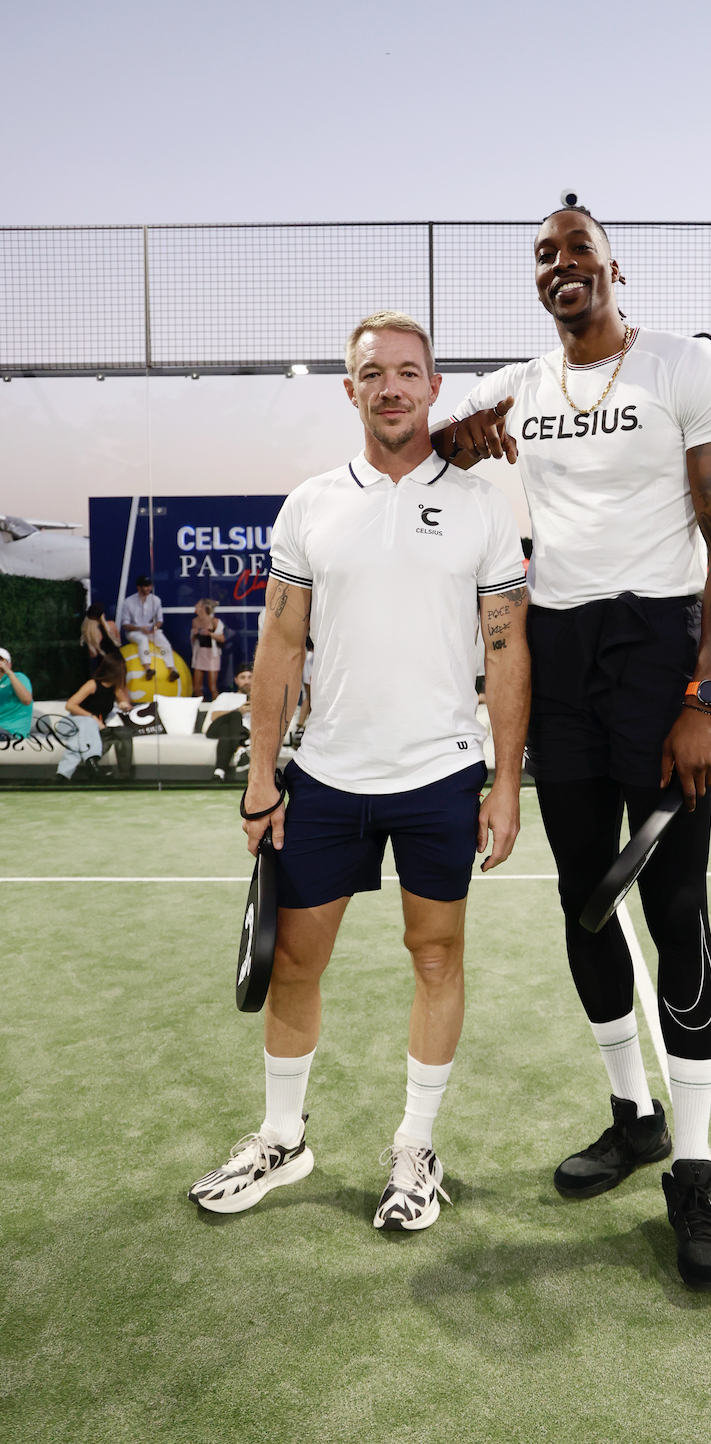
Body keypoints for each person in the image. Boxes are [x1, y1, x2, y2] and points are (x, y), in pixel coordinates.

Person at [433, 206, 711, 1293]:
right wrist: (462, 434)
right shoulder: (521, 385)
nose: (560, 266)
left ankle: (694, 1168)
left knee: (675, 908)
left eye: (577, 249)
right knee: (584, 899)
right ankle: (633, 1117)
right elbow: (429, 439)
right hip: (561, 653)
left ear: (615, 267)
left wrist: (706, 694)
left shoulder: (685, 366)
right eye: (543, 255)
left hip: (661, 652)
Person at [189, 311, 530, 1233]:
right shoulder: (310, 504)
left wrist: (505, 782)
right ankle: (282, 1138)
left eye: (409, 372)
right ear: (351, 390)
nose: (392, 387)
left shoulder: (482, 506)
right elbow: (281, 643)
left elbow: (506, 651)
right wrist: (262, 776)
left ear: (433, 387)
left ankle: (416, 1148)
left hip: (441, 775)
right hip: (329, 774)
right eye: (374, 373)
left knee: (436, 955)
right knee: (296, 961)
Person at [61, 656, 134, 780]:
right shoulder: (92, 684)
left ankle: (63, 775)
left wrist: (124, 704)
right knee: (88, 724)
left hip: (92, 730)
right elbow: (70, 705)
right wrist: (92, 718)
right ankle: (92, 764)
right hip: (74, 723)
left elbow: (127, 703)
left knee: (78, 741)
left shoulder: (115, 688)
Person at [120, 575, 179, 682]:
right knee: (143, 640)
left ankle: (172, 669)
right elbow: (125, 624)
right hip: (134, 632)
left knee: (164, 643)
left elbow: (159, 619)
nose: (148, 588)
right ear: (139, 587)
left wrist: (155, 628)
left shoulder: (156, 600)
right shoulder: (128, 602)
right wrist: (139, 628)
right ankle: (147, 668)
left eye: (149, 586)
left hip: (150, 630)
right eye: (146, 586)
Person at [205, 661, 253, 779]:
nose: (246, 681)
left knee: (226, 730)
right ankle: (241, 748)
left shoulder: (261, 700)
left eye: (250, 677)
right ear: (236, 680)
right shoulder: (226, 696)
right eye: (242, 678)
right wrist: (239, 711)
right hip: (214, 730)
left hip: (240, 732)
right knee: (235, 715)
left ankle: (219, 772)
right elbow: (214, 716)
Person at [190, 598, 224, 700]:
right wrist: (194, 634)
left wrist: (209, 633)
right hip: (200, 653)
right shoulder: (195, 621)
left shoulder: (214, 621)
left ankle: (217, 704)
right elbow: (193, 640)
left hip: (212, 654)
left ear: (202, 608)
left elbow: (222, 638)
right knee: (197, 687)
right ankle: (200, 704)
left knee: (212, 687)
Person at [0, 647, 33, 736]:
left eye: (1, 660)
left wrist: (9, 672)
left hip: (13, 733)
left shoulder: (19, 677)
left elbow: (27, 700)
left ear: (9, 664)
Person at [81, 602, 122, 671]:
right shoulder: (111, 625)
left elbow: (93, 654)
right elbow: (118, 642)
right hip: (118, 661)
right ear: (102, 615)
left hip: (103, 664)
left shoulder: (89, 633)